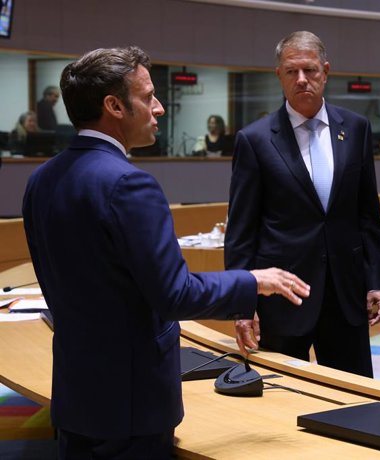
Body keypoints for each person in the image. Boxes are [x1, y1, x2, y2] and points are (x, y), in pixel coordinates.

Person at [22, 46, 309, 459]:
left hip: (76, 396)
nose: (158, 108)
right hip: (132, 406)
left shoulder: (42, 179)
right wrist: (253, 280)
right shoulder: (129, 185)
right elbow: (175, 294)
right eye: (148, 96)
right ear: (114, 105)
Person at [224, 31, 380, 378]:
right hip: (283, 298)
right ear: (279, 75)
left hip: (346, 295)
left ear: (326, 71)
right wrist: (241, 301)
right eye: (291, 71)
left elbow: (368, 215)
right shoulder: (254, 140)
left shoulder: (356, 129)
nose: (302, 79)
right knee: (281, 403)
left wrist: (377, 280)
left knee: (354, 401)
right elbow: (241, 231)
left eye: (310, 70)